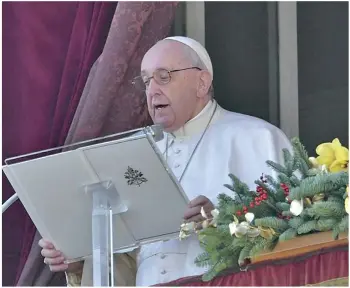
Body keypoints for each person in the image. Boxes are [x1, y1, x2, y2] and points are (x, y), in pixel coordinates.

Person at [39, 36, 292, 286]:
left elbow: (298, 225)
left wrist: (225, 218)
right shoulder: (131, 152)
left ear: (201, 83)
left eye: (164, 77)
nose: (152, 91)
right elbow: (124, 256)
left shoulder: (257, 138)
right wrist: (78, 260)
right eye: (147, 81)